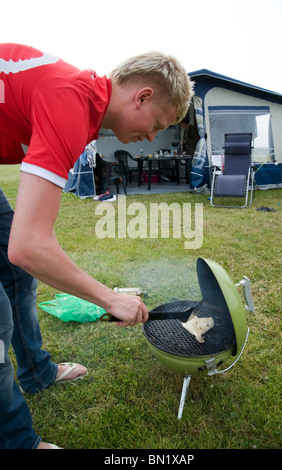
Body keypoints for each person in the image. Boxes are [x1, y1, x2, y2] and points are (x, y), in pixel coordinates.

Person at [0, 43, 194, 449]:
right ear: (141, 96)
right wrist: (109, 299)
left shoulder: (86, 106)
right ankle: (18, 442)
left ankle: (36, 373)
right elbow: (29, 245)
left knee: (14, 274)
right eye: (157, 122)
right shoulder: (69, 101)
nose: (152, 137)